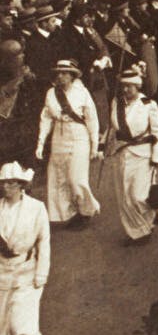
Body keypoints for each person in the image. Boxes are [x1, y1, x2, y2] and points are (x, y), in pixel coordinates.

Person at [35, 59, 101, 229]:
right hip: (59, 136)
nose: (60, 76)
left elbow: (92, 118)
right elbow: (46, 118)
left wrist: (95, 145)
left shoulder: (82, 92)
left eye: (64, 73)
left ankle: (86, 211)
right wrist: (41, 143)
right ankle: (72, 213)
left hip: (79, 136)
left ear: (72, 75)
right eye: (58, 73)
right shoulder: (51, 93)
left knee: (76, 177)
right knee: (59, 177)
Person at [0, 162, 50, 335]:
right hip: (2, 271)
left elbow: (44, 241)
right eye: (4, 183)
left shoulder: (36, 207)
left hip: (27, 272)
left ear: (21, 185)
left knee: (20, 324)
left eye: (11, 183)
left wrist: (42, 273)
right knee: (2, 323)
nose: (6, 187)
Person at [108, 66, 158, 246]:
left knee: (139, 195)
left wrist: (157, 155)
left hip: (143, 154)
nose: (126, 90)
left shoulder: (148, 104)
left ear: (137, 87)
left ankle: (151, 216)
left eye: (130, 86)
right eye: (123, 86)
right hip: (122, 152)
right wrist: (104, 146)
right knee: (124, 196)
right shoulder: (116, 103)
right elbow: (112, 129)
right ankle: (137, 232)